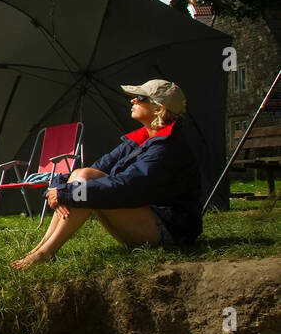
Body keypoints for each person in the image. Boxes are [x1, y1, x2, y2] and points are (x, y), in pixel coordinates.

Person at [12, 79, 201, 270]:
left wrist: (65, 193)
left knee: (84, 186)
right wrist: (56, 187)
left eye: (140, 98)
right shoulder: (142, 139)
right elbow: (95, 169)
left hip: (169, 232)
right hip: (143, 220)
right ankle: (44, 247)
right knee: (83, 174)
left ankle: (46, 252)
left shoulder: (166, 149)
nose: (133, 101)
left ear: (159, 109)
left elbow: (126, 188)